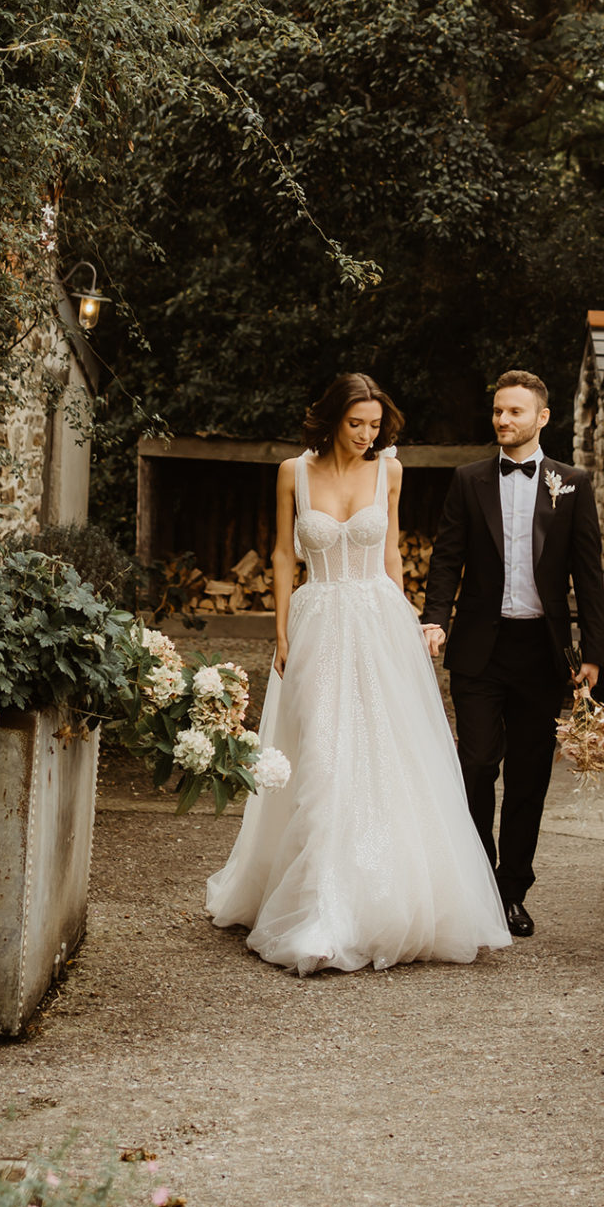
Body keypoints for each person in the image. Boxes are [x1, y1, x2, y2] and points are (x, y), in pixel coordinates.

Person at [205, 371, 511, 975]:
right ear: (331, 418)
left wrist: (405, 622)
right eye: (356, 425)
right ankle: (318, 907)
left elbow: (393, 551)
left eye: (375, 426)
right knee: (321, 755)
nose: (367, 436)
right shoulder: (293, 471)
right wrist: (281, 630)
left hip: (378, 620)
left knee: (387, 755)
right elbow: (282, 553)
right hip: (318, 620)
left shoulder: (388, 471)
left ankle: (385, 900)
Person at [420, 369, 604, 937]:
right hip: (480, 648)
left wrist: (592, 653)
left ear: (542, 418)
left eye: (515, 412)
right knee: (476, 765)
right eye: (498, 411)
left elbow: (589, 575)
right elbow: (447, 556)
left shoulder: (572, 483)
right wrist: (434, 618)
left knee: (529, 779)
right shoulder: (468, 480)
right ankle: (476, 881)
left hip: (541, 653)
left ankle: (511, 891)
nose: (504, 420)